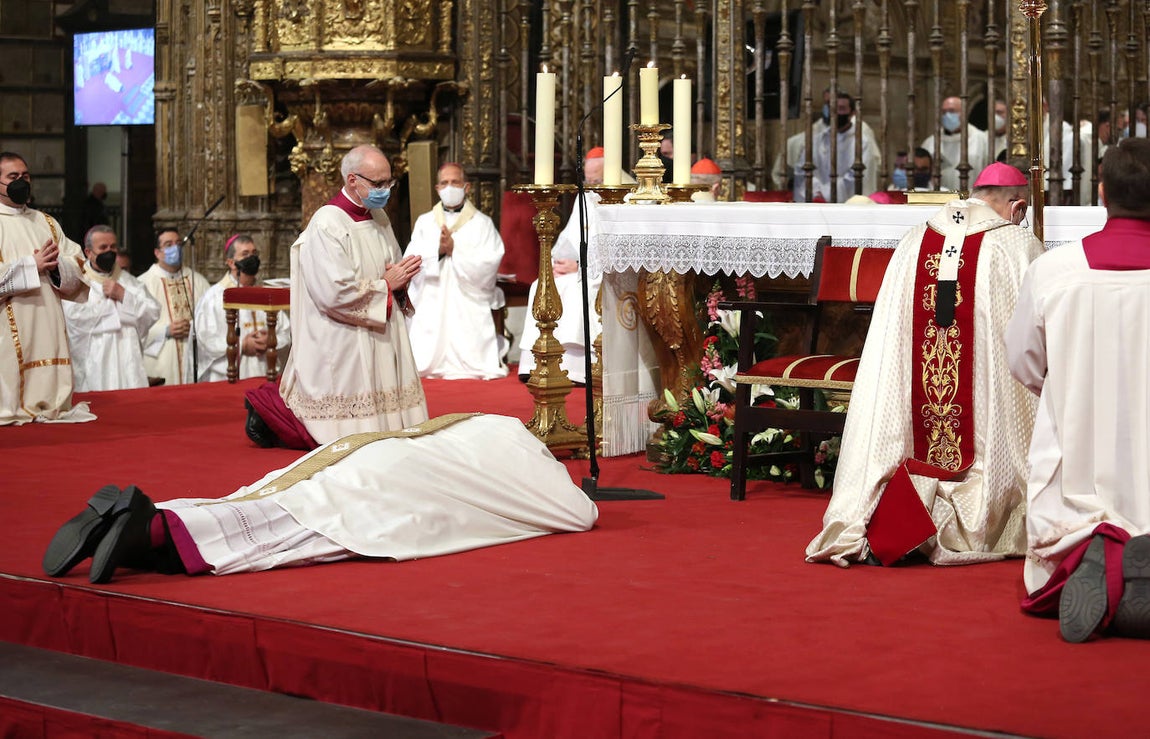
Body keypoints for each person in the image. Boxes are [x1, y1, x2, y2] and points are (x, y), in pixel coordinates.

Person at [806, 162, 1043, 567]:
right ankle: (980, 508)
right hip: (988, 428)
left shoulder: (915, 239)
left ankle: (893, 504)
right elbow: (1034, 339)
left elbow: (888, 336)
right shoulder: (1018, 247)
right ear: (1017, 207)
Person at [42, 413, 599, 584]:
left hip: (363, 453)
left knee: (270, 496)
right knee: (297, 530)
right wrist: (579, 492)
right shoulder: (528, 468)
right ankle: (150, 531)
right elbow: (576, 515)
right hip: (396, 485)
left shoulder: (488, 422)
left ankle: (143, 522)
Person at [1006, 138, 1150, 643]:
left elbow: (1021, 361)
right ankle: (1135, 568)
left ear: (1103, 192)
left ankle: (1094, 550)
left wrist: (1070, 387)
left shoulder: (1053, 270)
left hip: (1079, 461)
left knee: (1070, 506)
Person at [277, 144, 428, 445]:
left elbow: (390, 266)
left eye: (389, 182)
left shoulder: (379, 217)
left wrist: (401, 277)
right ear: (352, 180)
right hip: (343, 336)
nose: (386, 190)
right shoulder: (327, 224)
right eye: (379, 184)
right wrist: (386, 285)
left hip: (380, 327)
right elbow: (332, 293)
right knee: (356, 430)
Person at [0, 151, 95, 425]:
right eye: (13, 177)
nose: (22, 182)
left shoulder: (47, 223)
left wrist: (56, 268)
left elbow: (76, 263)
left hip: (47, 315)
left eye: (26, 176)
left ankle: (46, 403)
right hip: (9, 321)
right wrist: (32, 265)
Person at [406, 162, 508, 380]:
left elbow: (490, 261)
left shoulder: (483, 223)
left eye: (455, 182)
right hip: (431, 292)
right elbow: (411, 259)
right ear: (437, 188)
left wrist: (456, 252)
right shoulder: (425, 222)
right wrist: (439, 251)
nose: (449, 187)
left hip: (469, 294)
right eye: (444, 182)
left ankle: (471, 360)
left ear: (467, 187)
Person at [517, 149, 605, 385]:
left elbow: (618, 247)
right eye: (588, 180)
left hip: (603, 274)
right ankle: (537, 362)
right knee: (542, 284)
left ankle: (577, 368)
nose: (592, 186)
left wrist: (580, 266)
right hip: (579, 269)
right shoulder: (584, 198)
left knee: (578, 290)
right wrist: (557, 263)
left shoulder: (622, 198)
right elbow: (569, 238)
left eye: (598, 180)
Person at [63, 225, 160, 392]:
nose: (110, 251)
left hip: (128, 362)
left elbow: (152, 311)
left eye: (113, 247)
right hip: (95, 363)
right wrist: (112, 307)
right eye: (103, 247)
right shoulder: (78, 282)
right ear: (88, 252)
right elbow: (73, 319)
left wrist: (124, 296)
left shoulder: (128, 282)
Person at [194, 234, 291, 383]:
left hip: (264, 374)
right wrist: (241, 345)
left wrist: (271, 340)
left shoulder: (266, 293)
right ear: (231, 262)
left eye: (254, 253)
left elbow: (286, 332)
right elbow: (206, 341)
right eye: (245, 254)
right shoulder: (214, 297)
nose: (252, 258)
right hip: (228, 378)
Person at [139, 229, 210, 386]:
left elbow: (211, 319)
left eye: (178, 243)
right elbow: (135, 327)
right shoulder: (143, 284)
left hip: (194, 359)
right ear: (157, 252)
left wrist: (193, 328)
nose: (175, 248)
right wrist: (165, 331)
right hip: (160, 363)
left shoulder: (198, 281)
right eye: (168, 244)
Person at [791, 90, 881, 203]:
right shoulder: (817, 140)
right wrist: (816, 192)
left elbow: (859, 176)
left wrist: (826, 194)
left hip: (847, 205)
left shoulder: (862, 142)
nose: (836, 112)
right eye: (833, 108)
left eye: (842, 108)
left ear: (852, 113)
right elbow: (802, 170)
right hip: (816, 200)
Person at [920, 96, 990, 192]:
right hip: (938, 199)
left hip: (970, 199)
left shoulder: (982, 140)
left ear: (964, 113)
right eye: (944, 112)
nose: (947, 115)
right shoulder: (931, 143)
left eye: (952, 111)